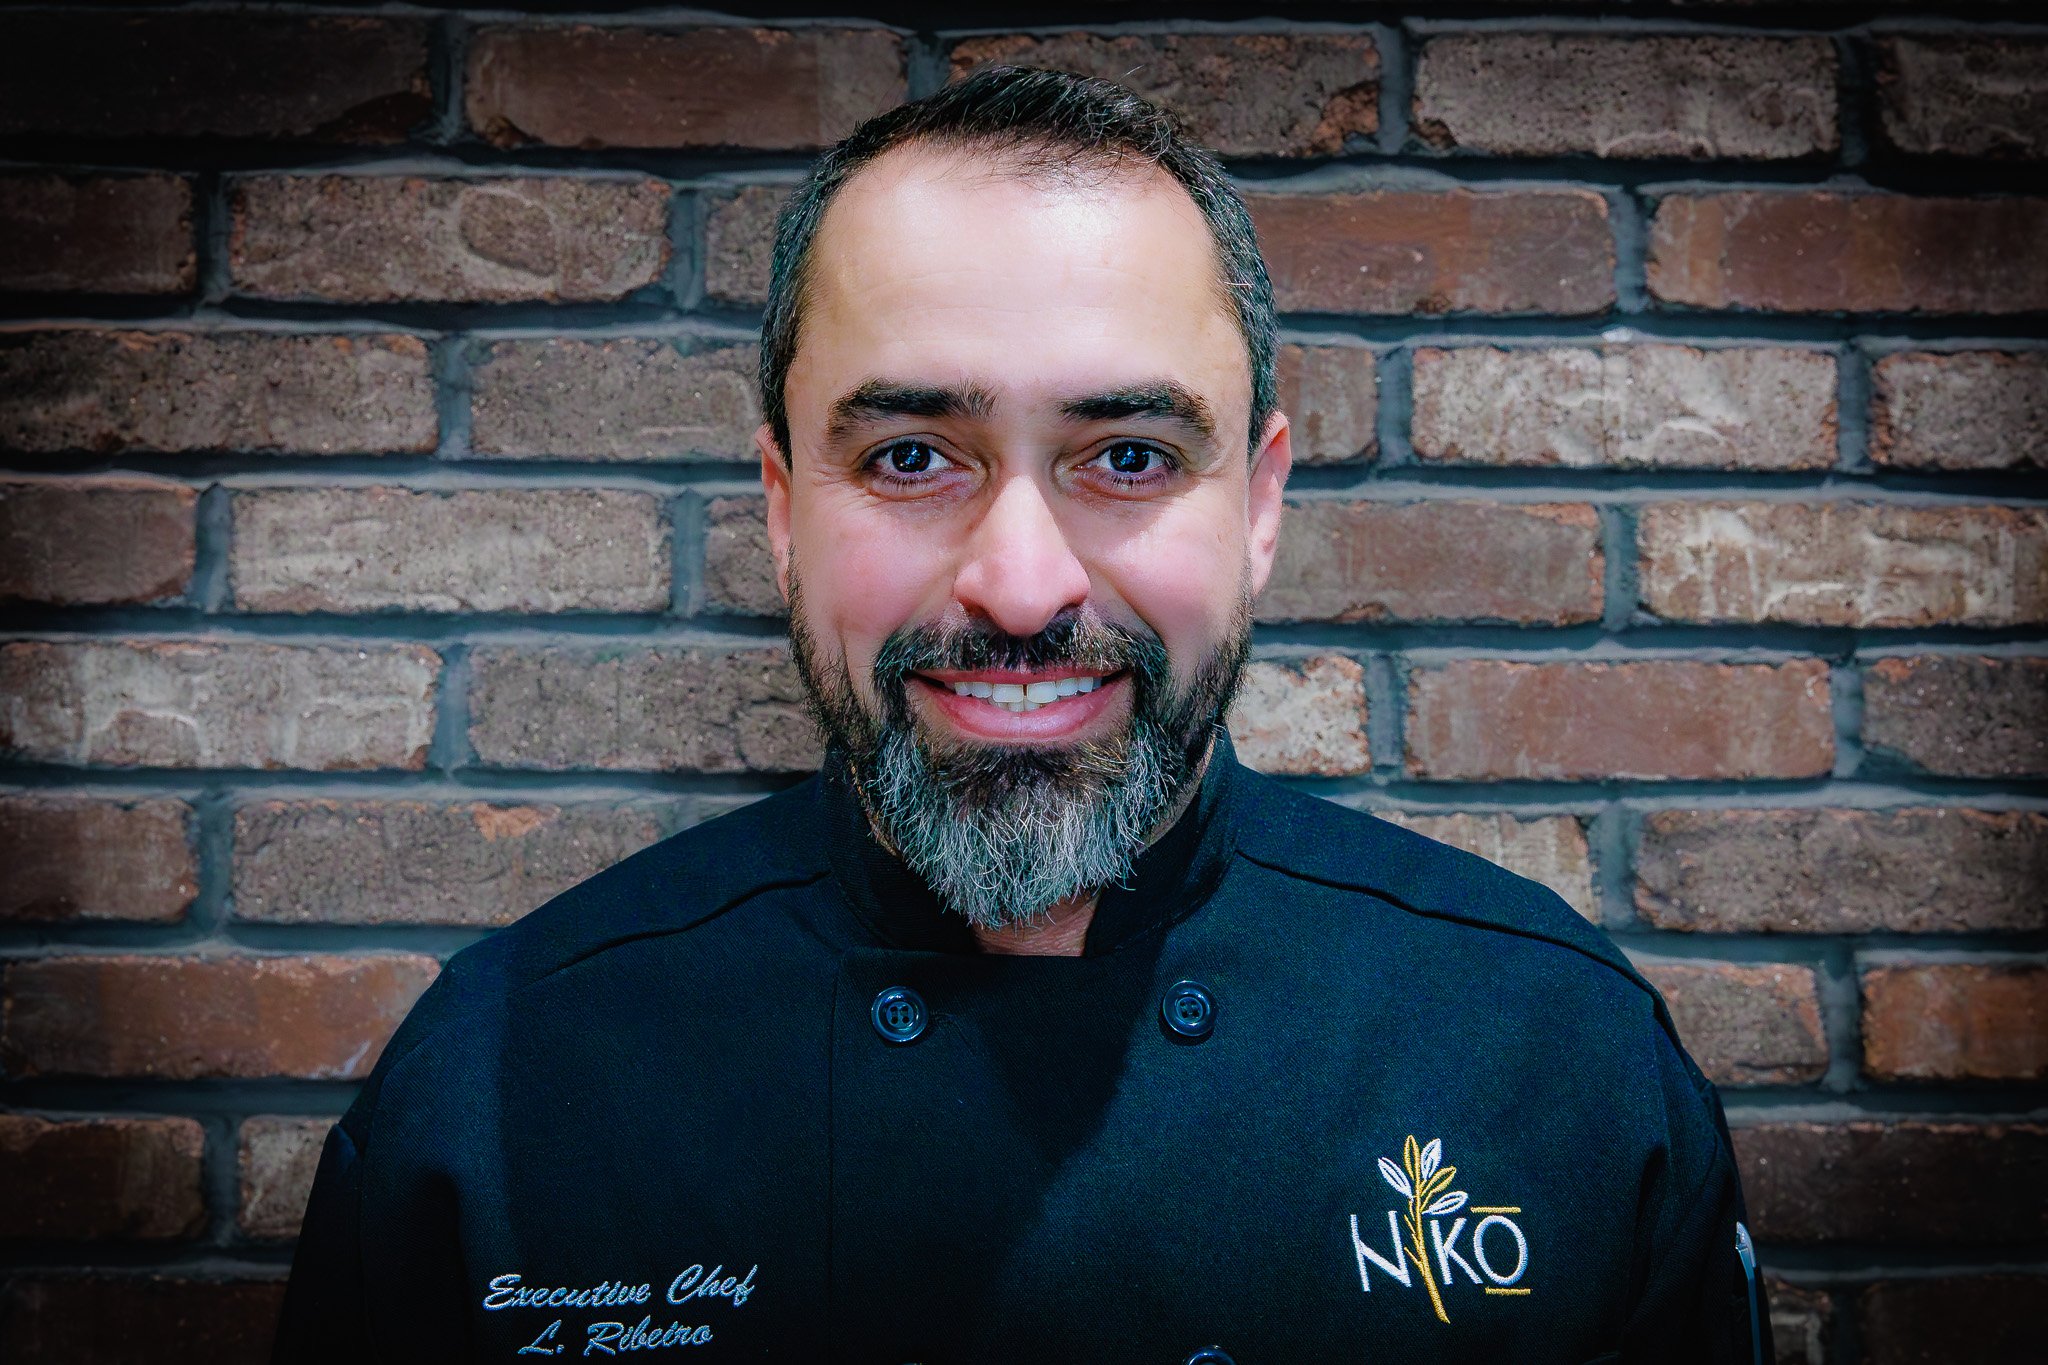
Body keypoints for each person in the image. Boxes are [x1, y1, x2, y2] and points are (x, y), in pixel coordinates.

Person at [274, 67, 1770, 1364]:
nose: (1019, 583)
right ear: (783, 510)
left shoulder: (1559, 1065)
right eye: (915, 454)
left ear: (1259, 505)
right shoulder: (488, 1103)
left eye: (1125, 454)